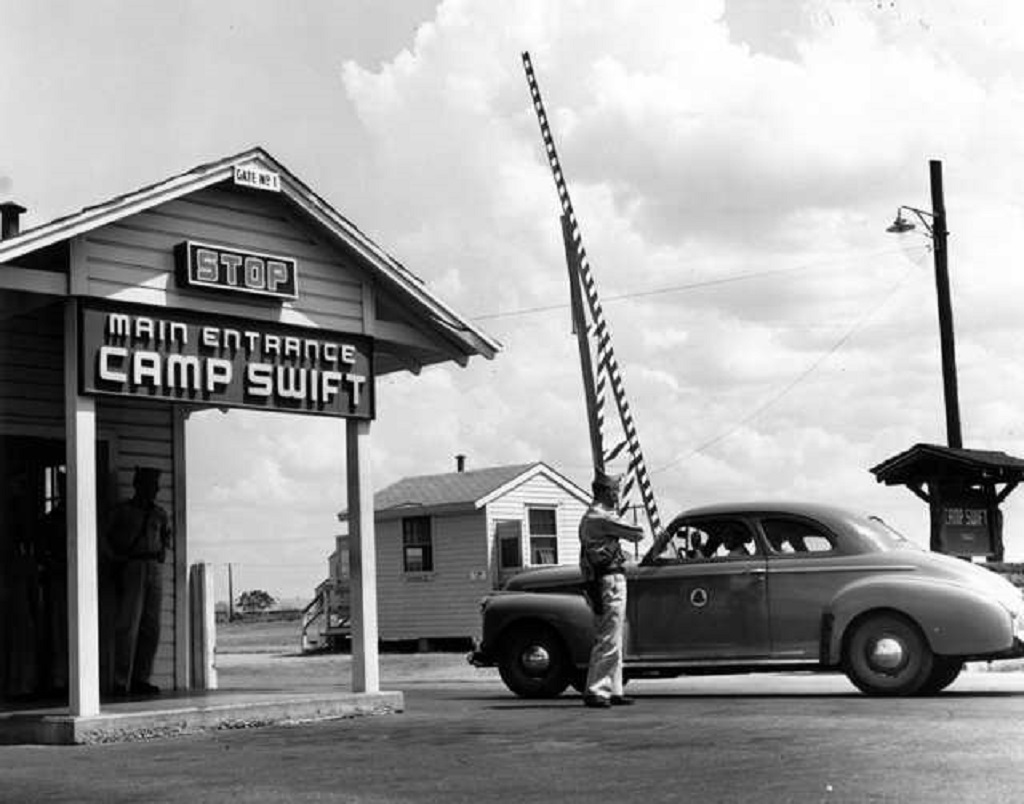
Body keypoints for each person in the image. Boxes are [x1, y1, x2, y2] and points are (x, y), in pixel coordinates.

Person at [102, 466, 171, 696]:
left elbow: (165, 537)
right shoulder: (123, 511)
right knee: (128, 624)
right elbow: (103, 536)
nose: (154, 490)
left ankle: (142, 677)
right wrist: (115, 557)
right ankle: (121, 681)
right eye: (150, 485)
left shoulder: (159, 513)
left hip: (154, 567)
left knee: (151, 627)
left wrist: (162, 553)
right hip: (132, 565)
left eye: (156, 486)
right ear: (138, 485)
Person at [578, 471, 643, 709]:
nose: (617, 495)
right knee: (609, 636)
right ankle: (596, 689)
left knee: (614, 636)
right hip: (609, 578)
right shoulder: (600, 516)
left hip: (605, 577)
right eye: (615, 491)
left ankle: (614, 689)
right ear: (605, 492)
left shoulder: (594, 516)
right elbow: (638, 533)